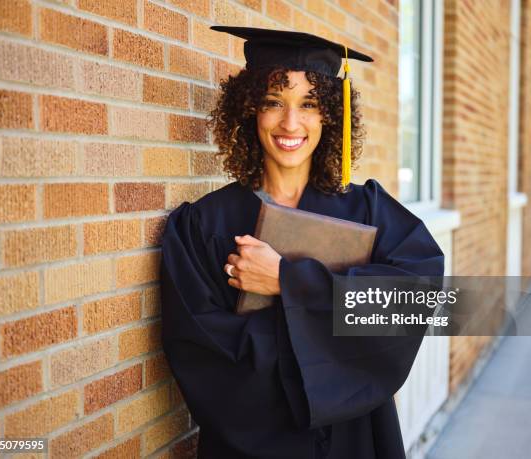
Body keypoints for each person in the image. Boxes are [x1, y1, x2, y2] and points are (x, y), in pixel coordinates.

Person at [160, 26, 445, 459]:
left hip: (354, 439)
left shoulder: (366, 209)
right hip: (252, 445)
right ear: (250, 109)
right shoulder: (205, 223)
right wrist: (326, 345)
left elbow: (411, 298)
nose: (290, 123)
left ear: (330, 114)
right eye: (274, 102)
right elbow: (201, 352)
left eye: (309, 104)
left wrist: (288, 282)